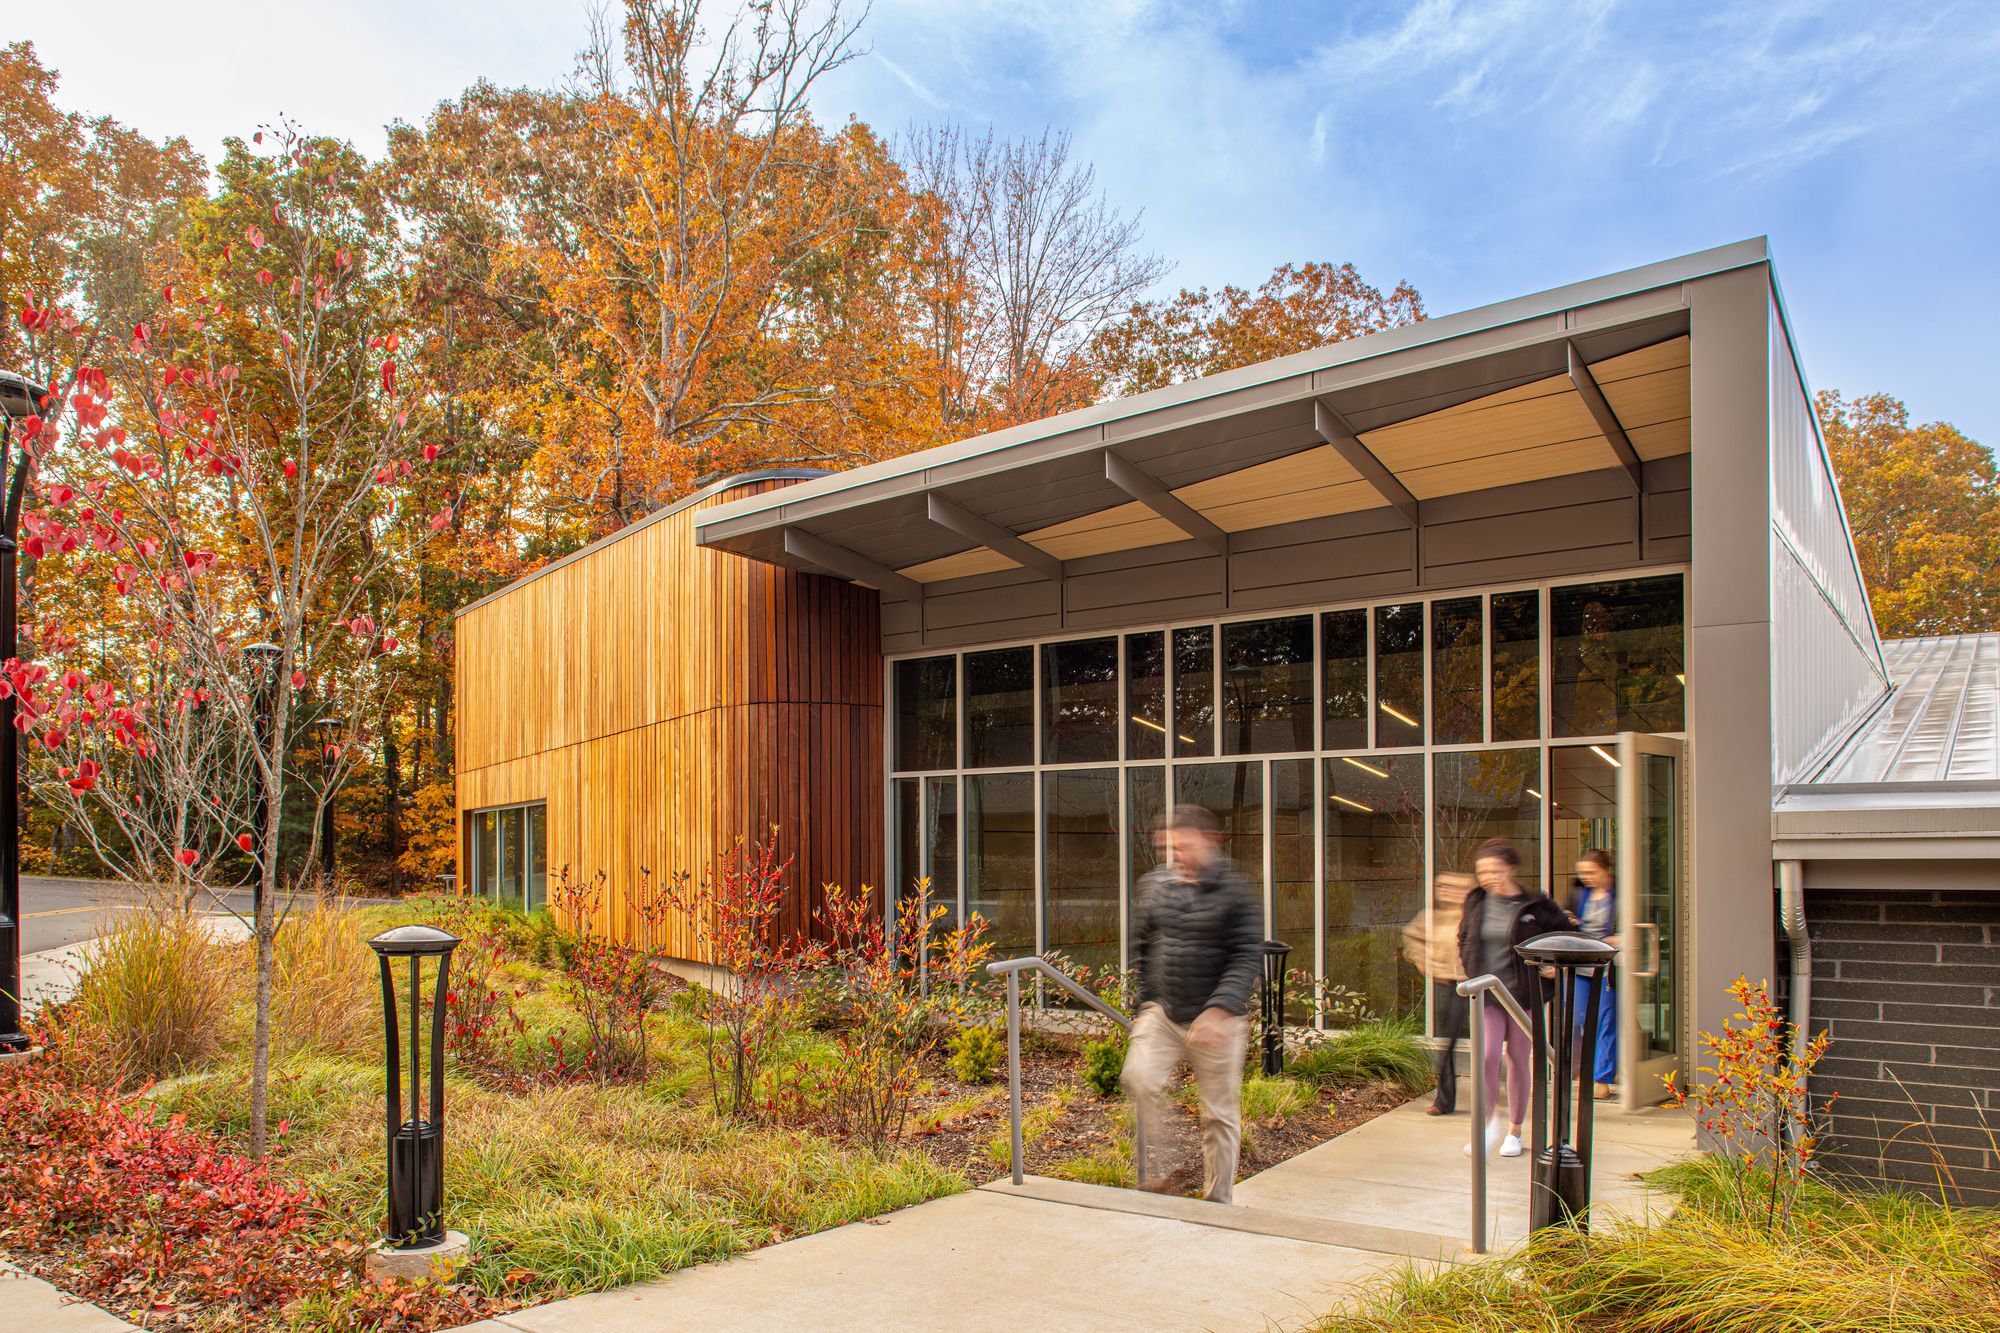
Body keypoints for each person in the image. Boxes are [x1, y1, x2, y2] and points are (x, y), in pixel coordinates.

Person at [1122, 804, 1264, 1203]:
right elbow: (1145, 946)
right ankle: (1163, 1172)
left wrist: (1219, 1010)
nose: (1175, 856)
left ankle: (1218, 1198)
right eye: (1167, 848)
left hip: (1219, 1021)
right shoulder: (1155, 885)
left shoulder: (1236, 890)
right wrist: (1145, 1007)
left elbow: (1246, 954)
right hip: (1164, 1012)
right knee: (1140, 1078)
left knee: (1217, 1113)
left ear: (1209, 841)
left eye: (1182, 846)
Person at [1455, 837, 1568, 1159]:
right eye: (1482, 871)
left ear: (1511, 869)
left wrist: (1554, 966)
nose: (1488, 877)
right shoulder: (1476, 900)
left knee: (1519, 1060)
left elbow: (1568, 936)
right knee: (1487, 1057)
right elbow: (1464, 936)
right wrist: (1470, 968)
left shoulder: (1537, 906)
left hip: (1524, 997)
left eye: (1494, 870)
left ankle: (1515, 1132)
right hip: (1487, 994)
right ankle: (1485, 1126)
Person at [1402, 873, 1473, 1115]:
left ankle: (1489, 1097)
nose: (1446, 890)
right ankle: (1444, 1101)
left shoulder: (1472, 917)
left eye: (1453, 887)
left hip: (1480, 988)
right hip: (1450, 988)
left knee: (1489, 1047)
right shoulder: (1431, 918)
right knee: (1447, 1045)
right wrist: (1423, 961)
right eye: (1441, 886)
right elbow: (1411, 938)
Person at [1572, 849, 1619, 1100]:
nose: (1586, 877)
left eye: (1591, 872)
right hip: (1579, 965)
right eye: (1582, 873)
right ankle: (1582, 1069)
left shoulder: (1619, 896)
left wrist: (1618, 938)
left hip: (1606, 968)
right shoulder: (1580, 894)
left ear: (1606, 871)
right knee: (1577, 1019)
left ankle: (1602, 1078)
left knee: (1605, 1021)